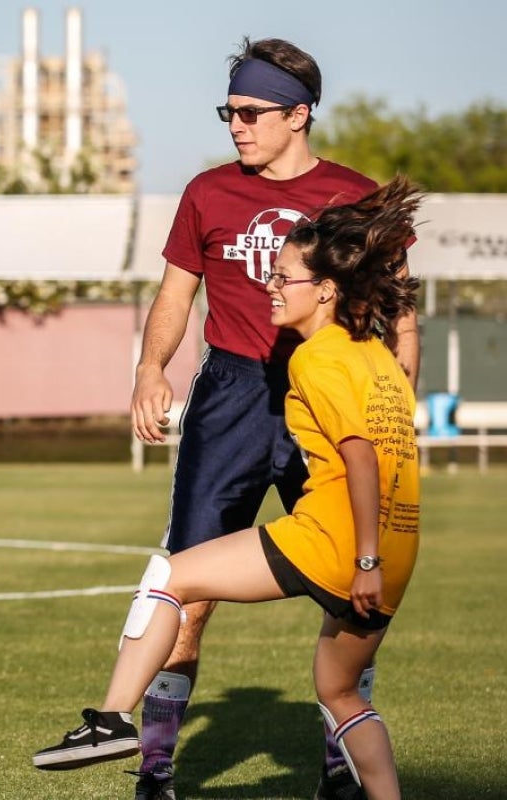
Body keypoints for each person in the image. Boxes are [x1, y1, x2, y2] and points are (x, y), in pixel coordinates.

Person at [32, 176, 424, 800]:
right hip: (399, 550)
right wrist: (379, 559)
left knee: (172, 577)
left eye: (283, 275)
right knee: (340, 691)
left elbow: (359, 458)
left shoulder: (316, 359)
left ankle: (112, 722)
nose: (268, 283)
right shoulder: (379, 360)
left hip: (338, 543)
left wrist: (363, 559)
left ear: (325, 290)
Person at [124, 37, 419, 800]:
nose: (236, 126)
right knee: (185, 593)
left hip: (325, 399)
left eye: (252, 112)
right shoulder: (206, 193)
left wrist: (398, 384)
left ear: (300, 113)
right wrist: (152, 369)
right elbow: (175, 294)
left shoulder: (355, 196)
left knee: (347, 597)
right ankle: (154, 773)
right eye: (229, 111)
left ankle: (342, 775)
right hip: (231, 397)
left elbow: (402, 304)